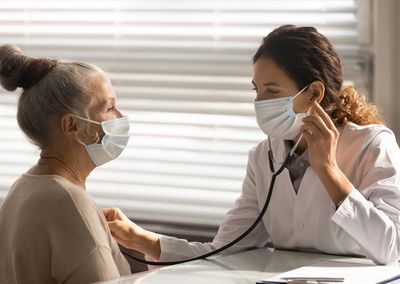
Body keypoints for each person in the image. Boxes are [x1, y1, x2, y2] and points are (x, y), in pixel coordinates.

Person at [102, 25, 400, 265]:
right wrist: (140, 238)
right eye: (257, 90)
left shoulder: (372, 145)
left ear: (314, 94)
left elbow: (390, 248)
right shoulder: (264, 156)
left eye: (271, 91)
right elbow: (225, 250)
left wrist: (328, 170)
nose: (259, 102)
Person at [0, 45, 131, 283]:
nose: (120, 117)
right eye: (109, 107)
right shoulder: (70, 202)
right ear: (73, 126)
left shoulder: (23, 188)